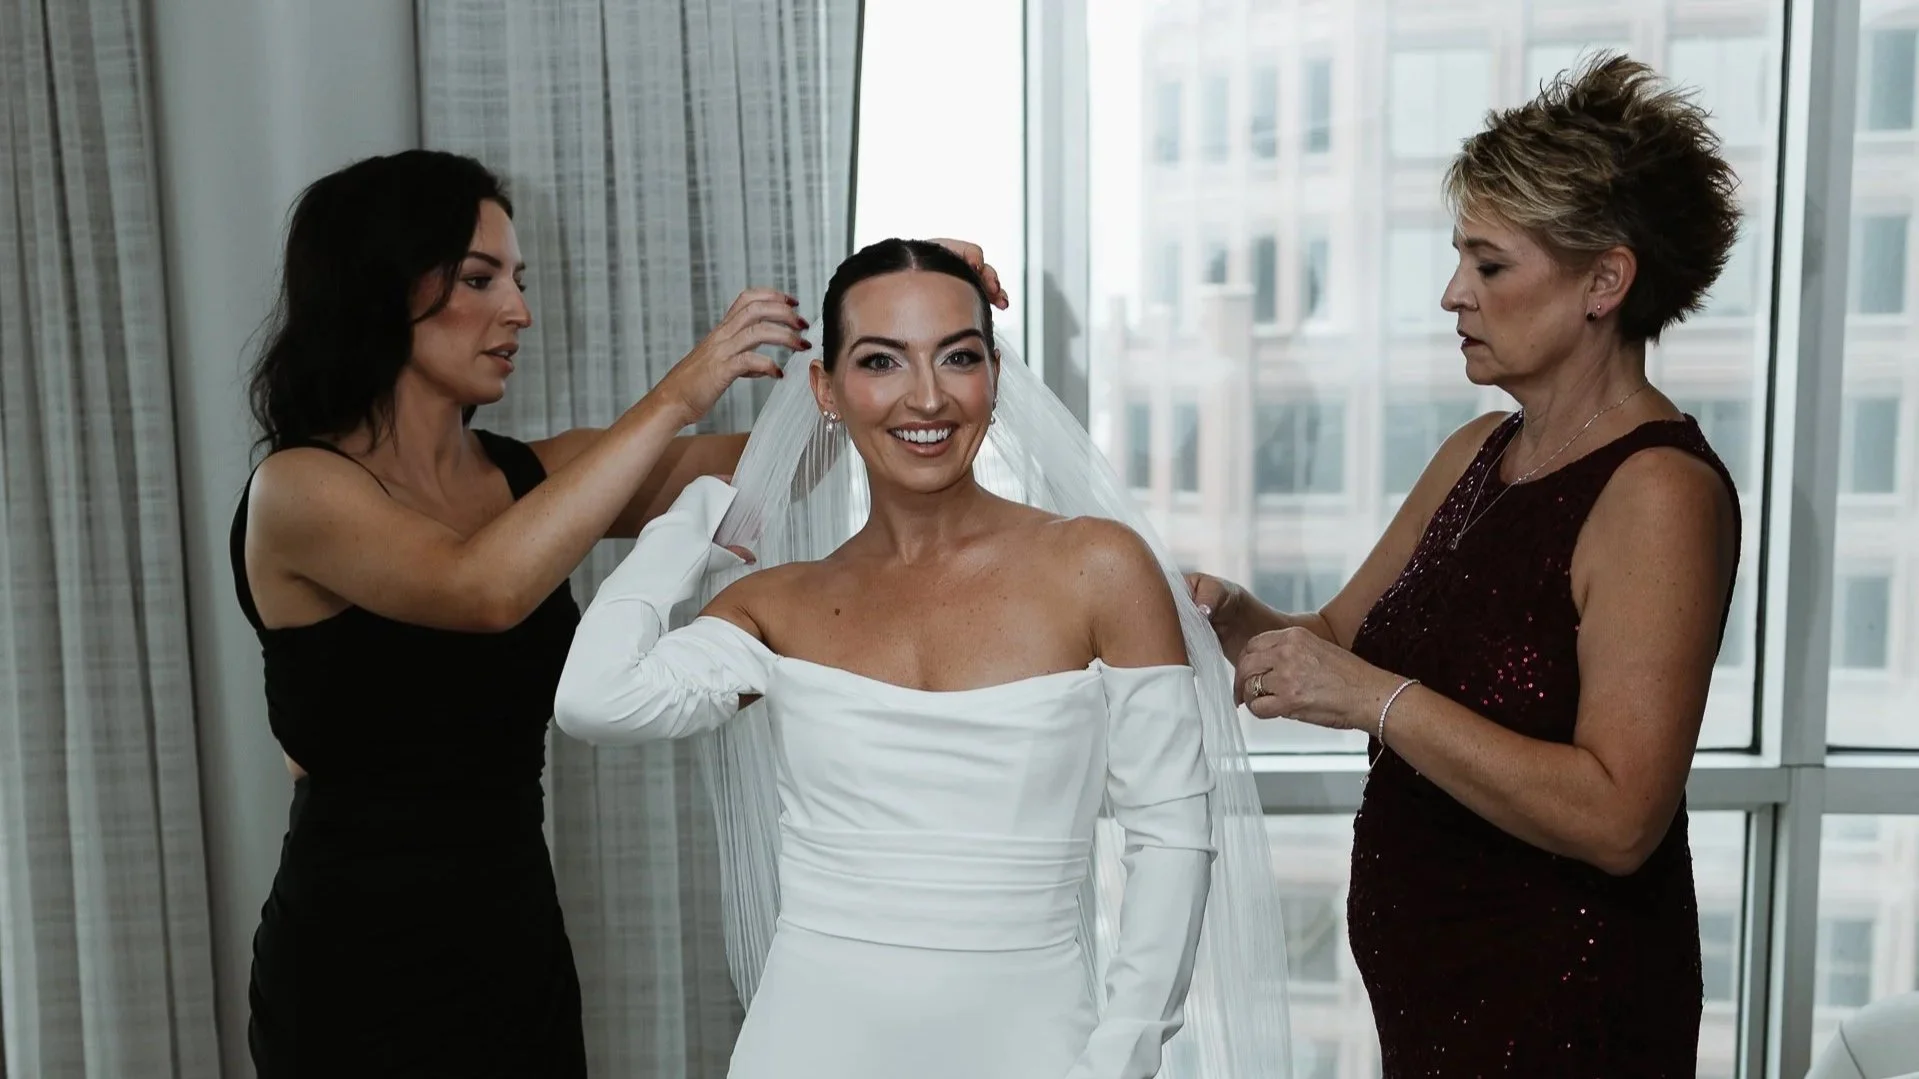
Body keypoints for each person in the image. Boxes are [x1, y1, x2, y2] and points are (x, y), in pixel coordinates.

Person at [231, 149, 1002, 1076]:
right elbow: (481, 589)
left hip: (512, 938)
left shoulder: (531, 474)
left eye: (518, 280)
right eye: (480, 278)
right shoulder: (298, 489)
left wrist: (898, 321)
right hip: (350, 962)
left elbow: (784, 467)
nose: (518, 310)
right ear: (379, 287)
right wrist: (683, 387)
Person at [553, 239, 1293, 1079]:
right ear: (825, 389)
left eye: (958, 356)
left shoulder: (1099, 566)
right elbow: (593, 698)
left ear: (995, 376)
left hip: (1035, 1052)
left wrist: (1121, 1057)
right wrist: (695, 522)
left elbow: (1170, 834)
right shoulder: (776, 605)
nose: (928, 395)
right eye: (881, 360)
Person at [1189, 55, 1742, 1075]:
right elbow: (1334, 642)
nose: (1452, 294)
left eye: (1488, 266)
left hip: (1565, 1008)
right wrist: (1221, 610)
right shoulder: (1476, 450)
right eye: (1458, 259)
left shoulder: (1657, 491)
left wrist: (1377, 701)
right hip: (1436, 999)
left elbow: (1619, 815)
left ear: (1603, 281)